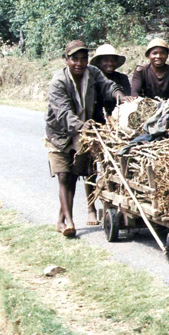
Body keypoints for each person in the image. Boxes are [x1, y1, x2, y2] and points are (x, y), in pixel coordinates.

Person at [45, 40, 130, 237]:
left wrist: (120, 96)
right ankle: (69, 221)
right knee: (64, 176)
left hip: (83, 130)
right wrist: (82, 126)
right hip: (60, 133)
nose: (79, 63)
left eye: (83, 59)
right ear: (66, 60)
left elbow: (107, 85)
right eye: (75, 59)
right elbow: (63, 113)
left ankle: (60, 220)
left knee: (74, 175)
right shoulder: (59, 82)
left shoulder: (92, 72)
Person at [131, 38, 169, 103]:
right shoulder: (141, 72)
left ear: (167, 55)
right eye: (154, 53)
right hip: (146, 106)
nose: (158, 56)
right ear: (149, 55)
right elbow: (134, 93)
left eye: (163, 53)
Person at [90, 44, 131, 121]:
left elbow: (127, 100)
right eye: (106, 60)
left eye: (113, 60)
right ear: (98, 62)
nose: (110, 63)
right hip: (96, 120)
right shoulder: (92, 80)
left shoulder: (122, 78)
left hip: (118, 119)